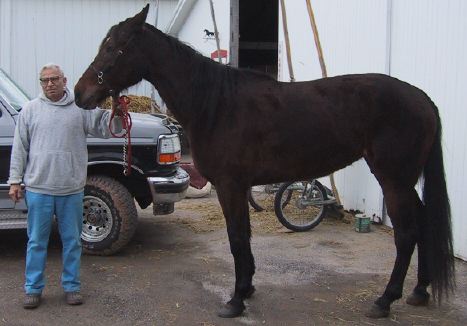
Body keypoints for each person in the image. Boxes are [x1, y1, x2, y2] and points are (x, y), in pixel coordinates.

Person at [8, 63, 122, 309]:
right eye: (44, 80)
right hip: (39, 189)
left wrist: (118, 111)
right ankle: (33, 289)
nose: (49, 84)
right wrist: (15, 180)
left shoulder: (81, 108)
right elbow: (20, 149)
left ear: (65, 80)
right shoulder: (30, 110)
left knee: (72, 241)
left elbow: (108, 129)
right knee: (37, 241)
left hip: (71, 189)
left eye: (54, 79)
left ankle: (72, 287)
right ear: (40, 83)